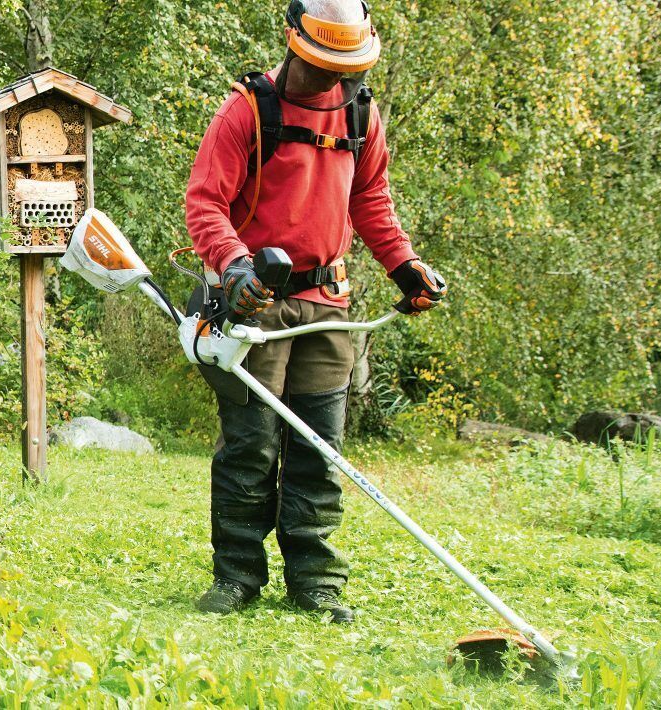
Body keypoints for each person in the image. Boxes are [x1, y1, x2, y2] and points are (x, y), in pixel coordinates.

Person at [185, 0, 446, 623]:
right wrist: (235, 264)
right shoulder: (247, 110)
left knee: (319, 448)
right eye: (325, 64)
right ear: (292, 40)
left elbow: (372, 200)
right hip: (259, 306)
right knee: (250, 446)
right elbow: (205, 204)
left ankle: (315, 582)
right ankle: (238, 577)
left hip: (331, 306)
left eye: (346, 67)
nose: (336, 79)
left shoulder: (361, 114)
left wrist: (405, 267)